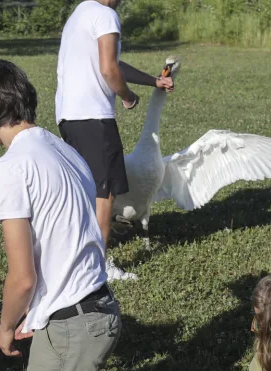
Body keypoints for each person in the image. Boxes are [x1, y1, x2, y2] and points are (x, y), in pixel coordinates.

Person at [0, 59, 222, 371]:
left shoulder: (10, 168)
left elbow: (22, 277)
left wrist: (6, 327)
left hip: (72, 326)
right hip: (97, 306)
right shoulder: (66, 151)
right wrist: (39, 310)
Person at [55, 0, 174, 282]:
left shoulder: (80, 13)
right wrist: (128, 96)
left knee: (87, 190)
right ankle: (99, 266)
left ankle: (75, 256)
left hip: (69, 117)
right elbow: (109, 69)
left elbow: (112, 63)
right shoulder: (106, 14)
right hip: (94, 117)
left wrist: (153, 81)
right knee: (104, 194)